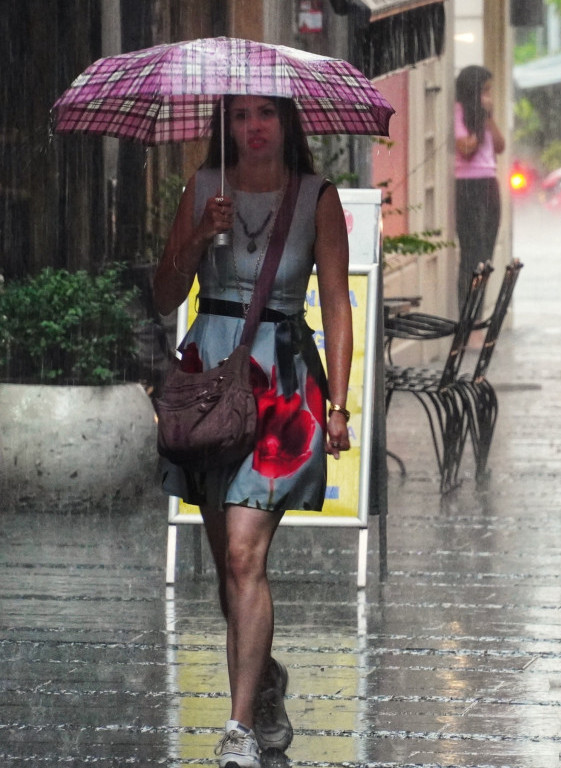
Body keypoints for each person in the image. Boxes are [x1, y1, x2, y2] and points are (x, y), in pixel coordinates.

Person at [152, 94, 353, 768]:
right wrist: (195, 236)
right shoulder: (203, 187)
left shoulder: (316, 197)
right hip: (211, 375)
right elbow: (165, 294)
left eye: (265, 114)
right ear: (224, 127)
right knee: (224, 563)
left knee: (244, 554)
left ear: (287, 124)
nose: (252, 127)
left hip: (283, 379)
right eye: (238, 117)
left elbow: (336, 303)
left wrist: (340, 405)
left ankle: (237, 729)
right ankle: (263, 683)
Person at [454, 65, 506, 307]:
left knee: (486, 249)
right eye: (484, 91)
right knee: (471, 251)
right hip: (468, 185)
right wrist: (477, 122)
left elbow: (500, 145)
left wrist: (488, 118)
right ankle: (467, 308)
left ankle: (479, 307)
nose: (488, 96)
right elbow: (466, 148)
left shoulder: (485, 117)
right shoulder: (459, 112)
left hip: (488, 183)